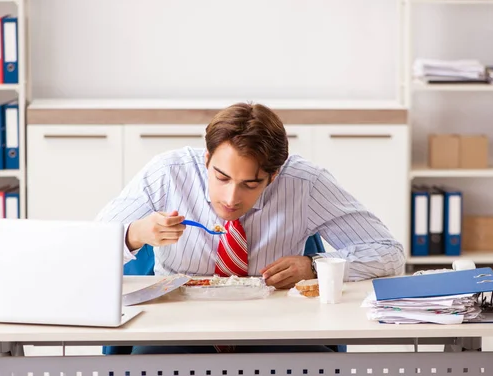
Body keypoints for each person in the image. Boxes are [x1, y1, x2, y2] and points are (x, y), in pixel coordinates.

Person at [95, 102, 405, 354]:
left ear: (274, 175)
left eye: (250, 183)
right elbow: (87, 249)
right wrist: (134, 234)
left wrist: (313, 266)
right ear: (206, 159)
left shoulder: (306, 183)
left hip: (276, 328)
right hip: (177, 329)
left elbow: (389, 253)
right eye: (221, 177)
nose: (231, 198)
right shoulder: (167, 174)